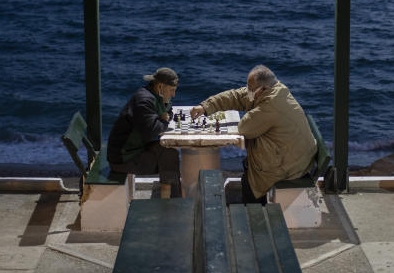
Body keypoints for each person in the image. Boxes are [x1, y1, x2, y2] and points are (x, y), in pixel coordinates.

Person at [190, 65, 315, 204]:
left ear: (262, 89)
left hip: (289, 167)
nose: (247, 90)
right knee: (247, 165)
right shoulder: (275, 90)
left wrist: (251, 110)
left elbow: (244, 128)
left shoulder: (270, 105)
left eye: (251, 88)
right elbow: (237, 96)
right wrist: (206, 107)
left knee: (251, 177)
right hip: (295, 158)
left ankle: (253, 211)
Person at [107, 67, 183, 198]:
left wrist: (164, 115)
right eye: (171, 90)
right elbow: (153, 131)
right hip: (123, 159)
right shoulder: (144, 101)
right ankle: (172, 202)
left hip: (132, 150)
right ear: (160, 86)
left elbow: (167, 112)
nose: (173, 95)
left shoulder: (153, 96)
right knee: (170, 156)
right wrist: (164, 121)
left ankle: (171, 197)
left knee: (169, 152)